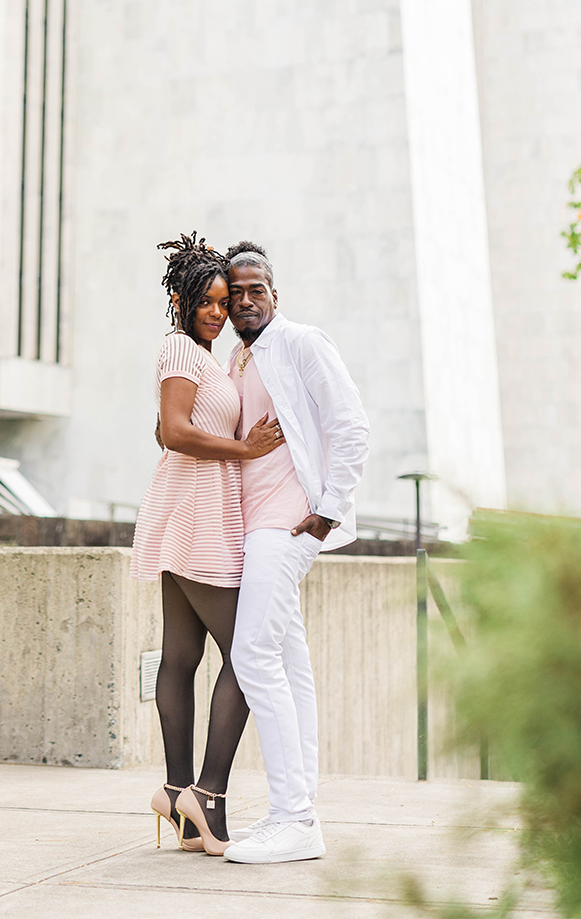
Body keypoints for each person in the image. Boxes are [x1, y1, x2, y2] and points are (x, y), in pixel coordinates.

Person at [216, 241, 370, 866]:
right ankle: (300, 809)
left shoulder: (303, 342)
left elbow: (350, 424)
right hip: (255, 524)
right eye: (237, 293)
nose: (247, 300)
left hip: (288, 524)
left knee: (251, 652)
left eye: (258, 289)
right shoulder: (238, 358)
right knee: (287, 660)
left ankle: (294, 817)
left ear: (275, 294)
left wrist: (331, 507)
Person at [132, 232, 284, 856]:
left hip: (192, 510)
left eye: (224, 302)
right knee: (247, 657)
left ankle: (176, 791)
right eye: (207, 303)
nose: (219, 312)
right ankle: (210, 795)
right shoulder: (181, 350)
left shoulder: (203, 355)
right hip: (195, 516)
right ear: (179, 300)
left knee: (182, 656)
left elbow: (166, 426)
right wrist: (245, 449)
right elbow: (172, 432)